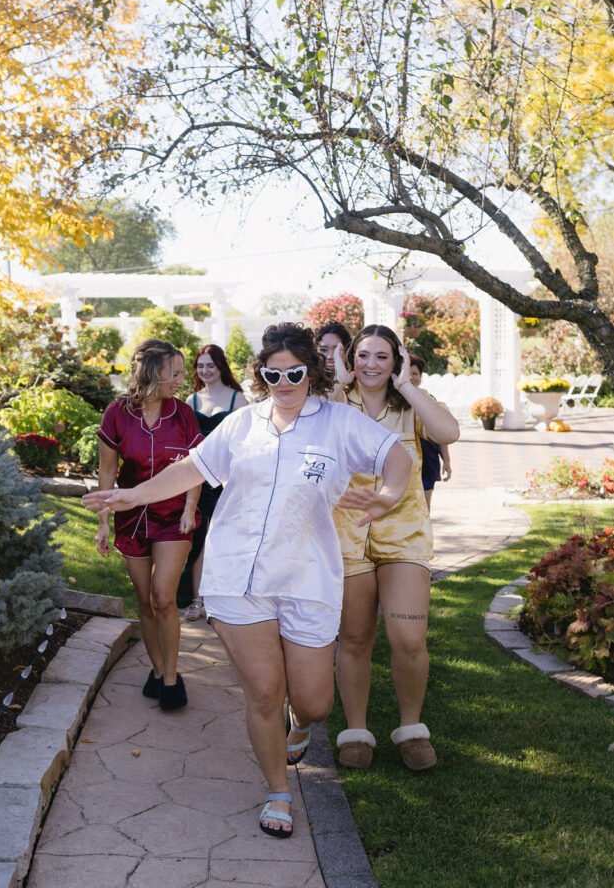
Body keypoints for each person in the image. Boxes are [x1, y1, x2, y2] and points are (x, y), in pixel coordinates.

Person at [84, 322, 412, 839]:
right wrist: (130, 496)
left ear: (313, 372)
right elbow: (190, 469)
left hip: (306, 580)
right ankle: (277, 790)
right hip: (237, 576)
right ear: (262, 374)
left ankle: (299, 722)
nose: (284, 382)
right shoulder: (242, 424)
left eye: (295, 373)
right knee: (262, 692)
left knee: (314, 702)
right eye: (272, 373)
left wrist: (389, 494)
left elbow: (398, 455)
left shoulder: (340, 423)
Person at [332, 325, 459, 772]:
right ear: (351, 359)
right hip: (346, 538)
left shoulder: (410, 407)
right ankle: (356, 731)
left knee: (408, 638)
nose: (371, 364)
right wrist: (337, 383)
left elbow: (449, 431)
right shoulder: (334, 405)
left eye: (382, 357)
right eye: (363, 355)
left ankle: (411, 729)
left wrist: (408, 386)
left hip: (404, 537)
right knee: (354, 638)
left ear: (397, 361)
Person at [95, 339, 203, 711]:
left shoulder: (184, 414)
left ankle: (172, 680)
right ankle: (157, 672)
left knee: (163, 596)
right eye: (174, 372)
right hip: (131, 516)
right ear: (156, 372)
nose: (180, 379)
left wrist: (191, 507)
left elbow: (195, 466)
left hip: (174, 516)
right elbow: (108, 470)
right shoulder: (117, 413)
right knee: (144, 601)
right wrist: (103, 522)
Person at [179, 344, 247, 619]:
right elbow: (185, 445)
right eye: (200, 365)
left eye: (210, 365)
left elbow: (244, 443)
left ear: (221, 367)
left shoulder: (238, 400)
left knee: (219, 542)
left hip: (227, 480)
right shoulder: (191, 401)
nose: (205, 371)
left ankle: (221, 602)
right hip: (197, 477)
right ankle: (196, 601)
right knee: (198, 542)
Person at [409, 354, 452, 511]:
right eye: (407, 373)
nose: (411, 377)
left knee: (424, 509)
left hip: (427, 460)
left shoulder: (430, 400)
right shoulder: (391, 400)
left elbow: (441, 433)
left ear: (420, 377)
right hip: (404, 460)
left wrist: (446, 461)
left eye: (415, 373)